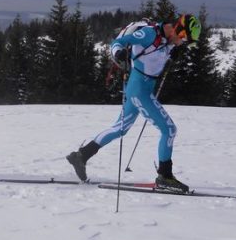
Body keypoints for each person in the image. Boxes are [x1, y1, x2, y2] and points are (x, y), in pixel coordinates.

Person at [66, 13, 201, 191]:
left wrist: (171, 53)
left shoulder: (169, 41)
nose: (183, 43)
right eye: (184, 38)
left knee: (120, 128)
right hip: (139, 91)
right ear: (179, 30)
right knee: (169, 130)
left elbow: (154, 59)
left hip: (140, 89)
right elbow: (117, 43)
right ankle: (165, 177)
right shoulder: (149, 34)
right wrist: (119, 53)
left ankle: (81, 156)